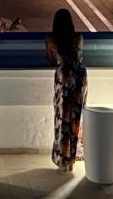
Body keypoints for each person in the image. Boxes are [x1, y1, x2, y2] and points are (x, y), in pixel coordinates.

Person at [46, 9, 87, 172]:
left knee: (62, 119)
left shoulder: (51, 39)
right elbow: (80, 57)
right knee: (77, 118)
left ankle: (63, 160)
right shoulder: (78, 38)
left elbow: (51, 60)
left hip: (63, 78)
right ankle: (73, 158)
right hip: (79, 77)